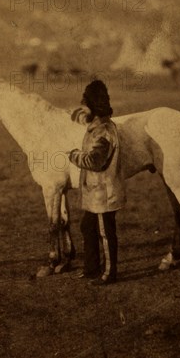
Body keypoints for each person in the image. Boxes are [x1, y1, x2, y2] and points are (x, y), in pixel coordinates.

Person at [68, 79, 126, 286]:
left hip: (104, 193)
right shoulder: (97, 127)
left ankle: (110, 273)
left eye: (85, 105)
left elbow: (95, 161)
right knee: (87, 226)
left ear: (93, 105)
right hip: (95, 192)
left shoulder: (104, 131)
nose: (83, 110)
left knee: (105, 233)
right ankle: (92, 269)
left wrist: (74, 155)